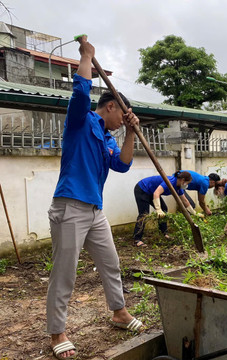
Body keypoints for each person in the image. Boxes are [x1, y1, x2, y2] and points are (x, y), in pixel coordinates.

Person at [46, 37, 142, 360]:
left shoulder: (106, 138)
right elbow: (80, 91)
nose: (119, 123)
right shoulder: (80, 120)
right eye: (120, 118)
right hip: (70, 205)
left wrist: (130, 132)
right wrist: (87, 56)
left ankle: (118, 312)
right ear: (110, 105)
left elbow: (124, 164)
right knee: (65, 272)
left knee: (111, 263)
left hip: (94, 211)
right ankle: (57, 332)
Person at [132, 171, 193, 247]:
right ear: (182, 180)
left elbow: (185, 200)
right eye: (187, 183)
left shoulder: (178, 187)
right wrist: (158, 209)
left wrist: (194, 213)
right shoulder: (170, 182)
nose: (187, 185)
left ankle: (164, 234)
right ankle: (137, 239)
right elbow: (156, 193)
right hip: (142, 189)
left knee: (164, 209)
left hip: (152, 191)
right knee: (144, 214)